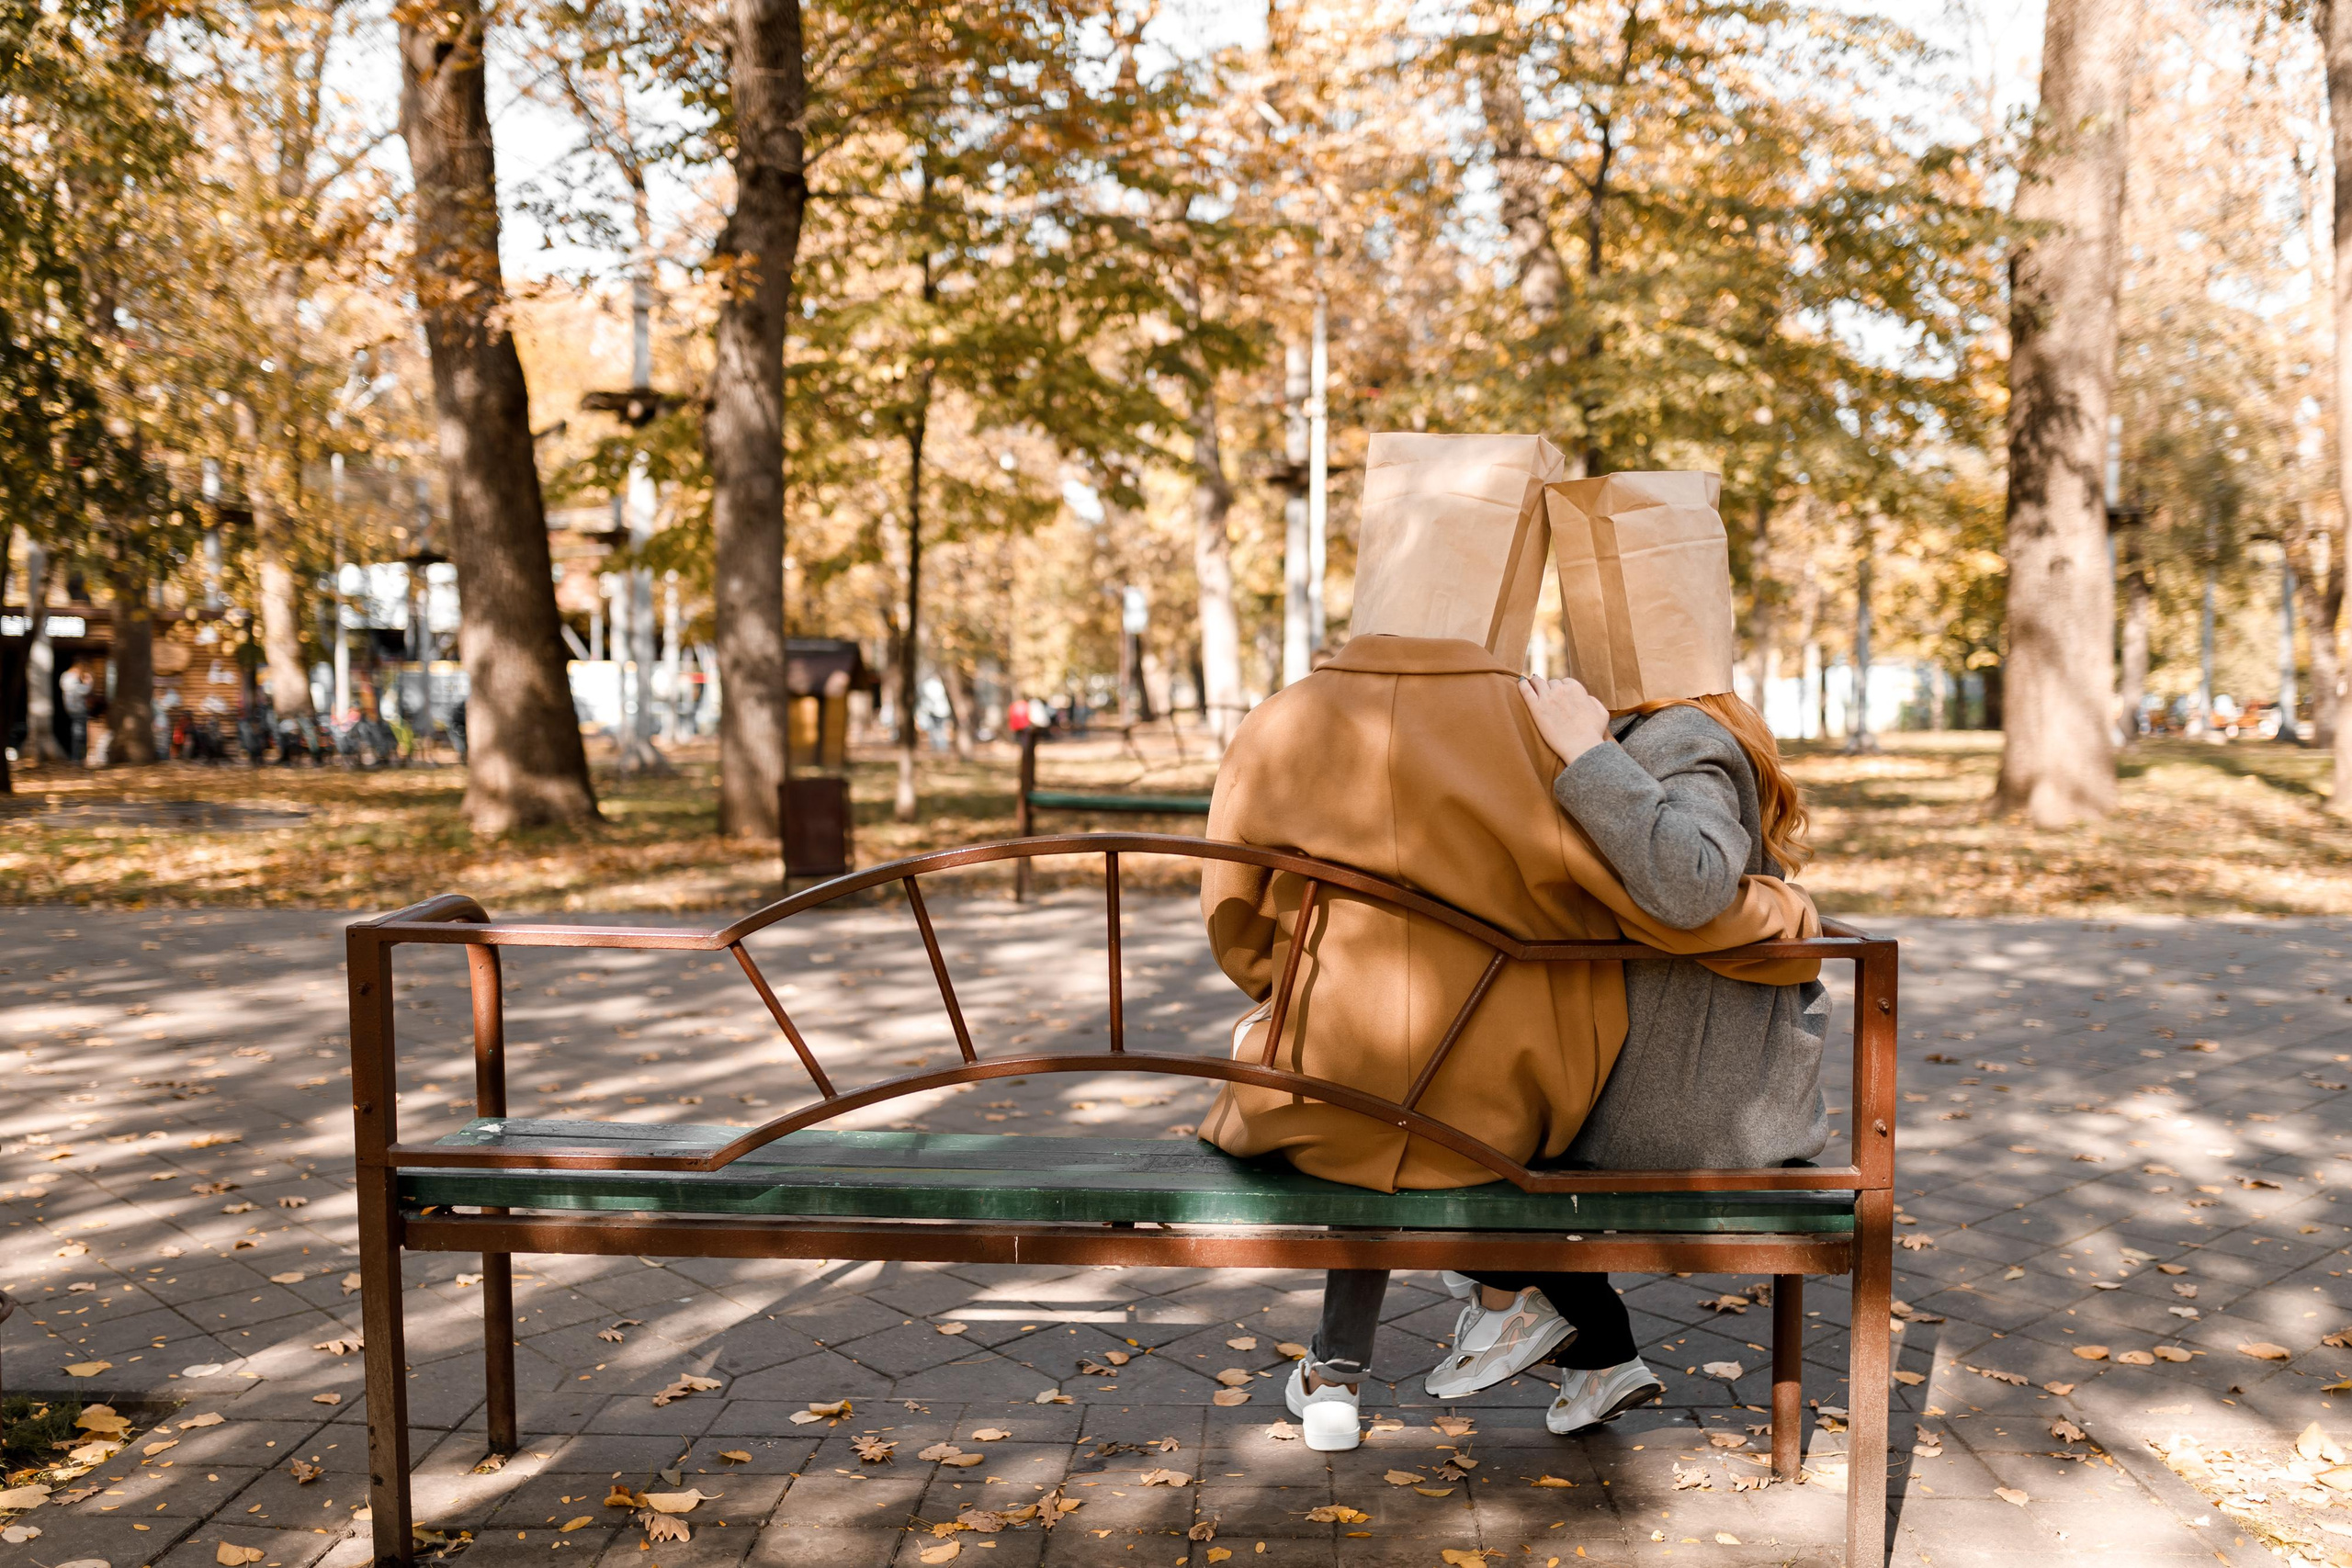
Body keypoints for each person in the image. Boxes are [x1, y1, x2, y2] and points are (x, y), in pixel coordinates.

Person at [1291, 676, 1828, 1449]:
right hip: (1694, 1084)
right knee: (1436, 1094)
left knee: (1409, 1110)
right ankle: (1594, 1357)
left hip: (1686, 1105)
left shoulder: (1675, 734)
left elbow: (1694, 883)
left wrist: (1585, 749)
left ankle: (1366, 1360)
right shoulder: (1686, 726)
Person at [58, 659, 92, 763]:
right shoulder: (71, 679)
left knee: (77, 734)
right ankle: (78, 758)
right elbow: (82, 691)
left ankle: (77, 757)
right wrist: (88, 683)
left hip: (71, 709)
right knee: (79, 735)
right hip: (78, 710)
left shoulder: (65, 678)